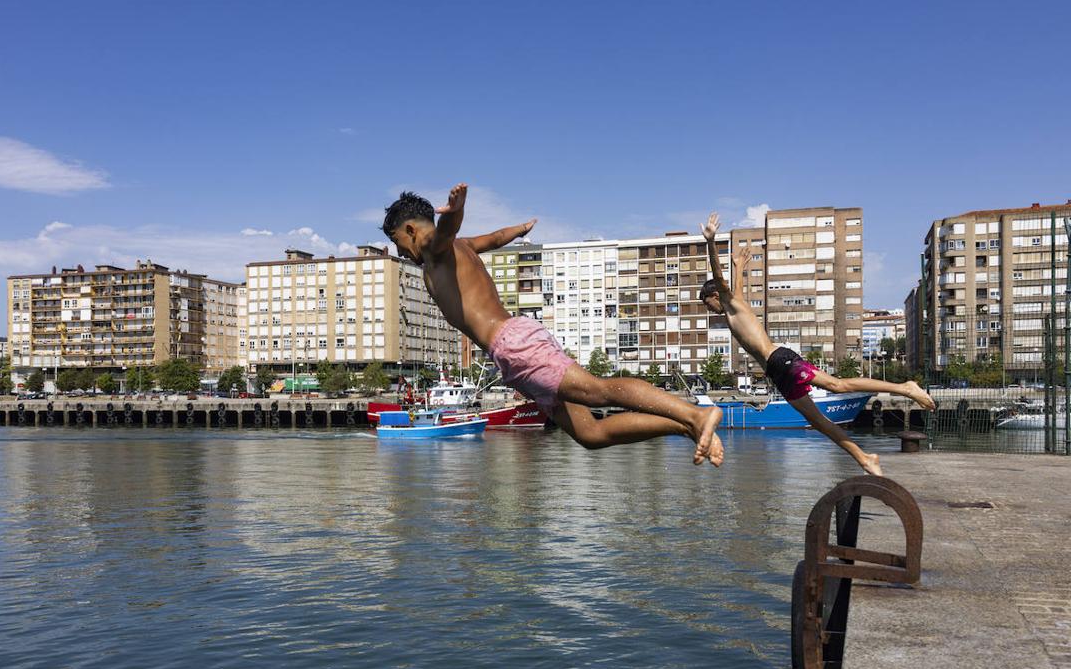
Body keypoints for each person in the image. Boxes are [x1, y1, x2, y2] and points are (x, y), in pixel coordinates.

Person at [380, 184, 723, 465]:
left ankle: (696, 415)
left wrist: (456, 210)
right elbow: (496, 238)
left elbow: (445, 231)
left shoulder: (435, 248)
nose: (402, 251)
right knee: (590, 434)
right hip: (511, 354)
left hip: (514, 345)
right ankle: (686, 427)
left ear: (411, 230)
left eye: (398, 242)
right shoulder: (460, 247)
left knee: (597, 390)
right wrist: (519, 230)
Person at [699, 212, 935, 475]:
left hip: (781, 360)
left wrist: (710, 242)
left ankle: (905, 388)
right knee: (818, 421)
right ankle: (864, 458)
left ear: (714, 296)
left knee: (837, 385)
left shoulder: (730, 304)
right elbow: (736, 284)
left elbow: (720, 280)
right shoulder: (735, 305)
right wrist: (739, 265)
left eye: (706, 303)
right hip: (777, 371)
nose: (708, 309)